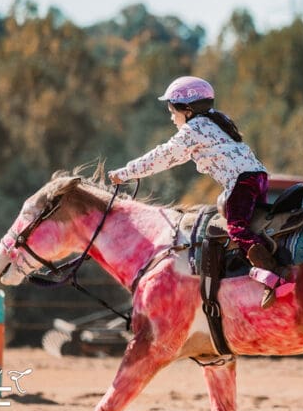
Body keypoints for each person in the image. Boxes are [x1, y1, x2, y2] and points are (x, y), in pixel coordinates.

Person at [108, 76, 282, 305]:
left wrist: (126, 173)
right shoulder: (216, 120)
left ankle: (273, 276)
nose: (172, 117)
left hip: (242, 181)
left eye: (172, 111)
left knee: (236, 228)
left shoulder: (194, 130)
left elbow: (164, 156)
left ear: (187, 110)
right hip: (258, 177)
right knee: (254, 224)